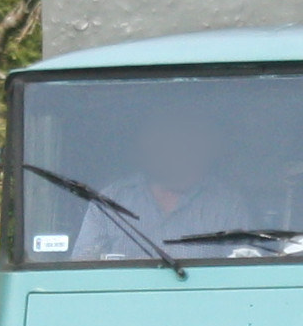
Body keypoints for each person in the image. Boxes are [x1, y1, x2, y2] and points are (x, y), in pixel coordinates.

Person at [71, 101, 250, 260]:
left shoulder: (226, 203)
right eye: (160, 136)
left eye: (179, 136)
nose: (169, 146)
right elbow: (83, 267)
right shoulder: (110, 199)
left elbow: (242, 269)